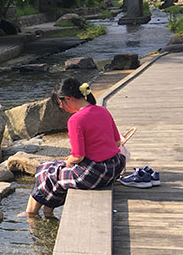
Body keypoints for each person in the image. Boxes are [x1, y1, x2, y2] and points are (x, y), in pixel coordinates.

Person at [25, 77, 126, 217]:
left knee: (46, 171)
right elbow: (116, 143)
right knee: (55, 172)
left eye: (61, 104)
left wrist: (68, 162)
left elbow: (78, 156)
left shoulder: (76, 120)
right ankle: (48, 212)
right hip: (114, 167)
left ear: (68, 98)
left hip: (94, 173)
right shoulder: (102, 111)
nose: (62, 108)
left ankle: (31, 214)